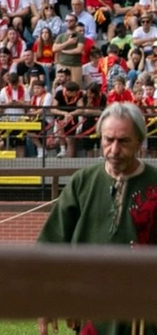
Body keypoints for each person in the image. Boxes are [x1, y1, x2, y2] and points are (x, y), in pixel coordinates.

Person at [37, 103, 157, 335]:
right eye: (108, 139)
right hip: (92, 312)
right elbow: (52, 243)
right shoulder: (83, 182)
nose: (113, 149)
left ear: (139, 142)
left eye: (123, 141)